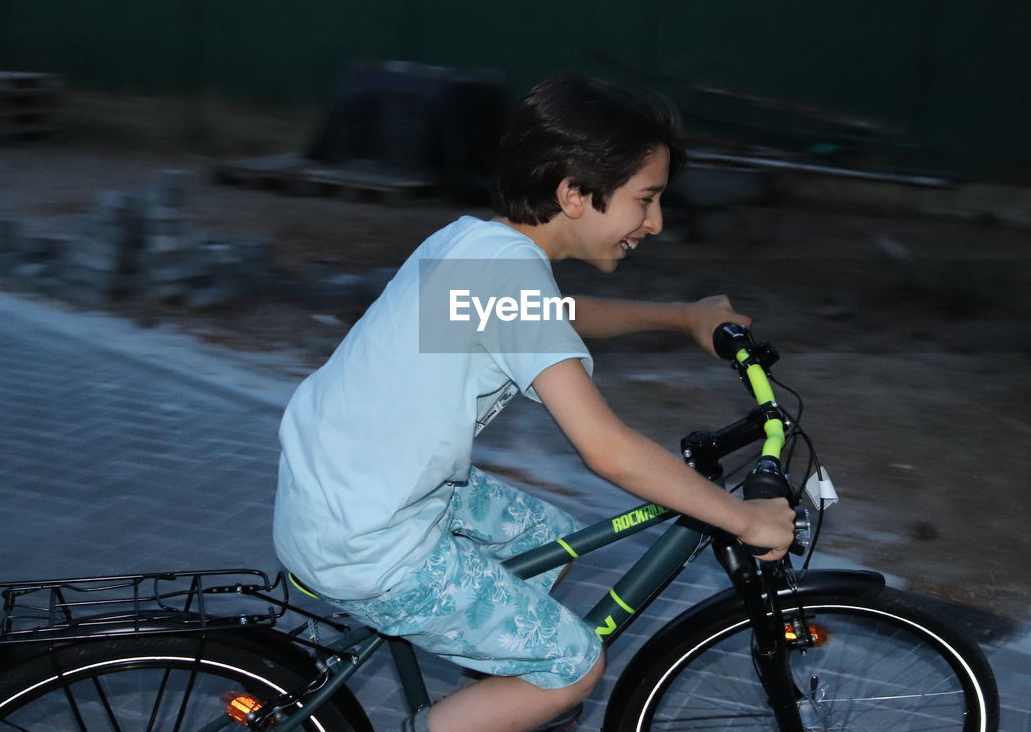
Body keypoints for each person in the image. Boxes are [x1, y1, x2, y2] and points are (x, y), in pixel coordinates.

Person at [272, 73, 796, 732]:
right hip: (369, 539)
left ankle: (494, 697)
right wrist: (747, 521)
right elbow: (607, 450)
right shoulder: (505, 270)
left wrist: (680, 315)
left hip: (338, 494)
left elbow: (556, 314)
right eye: (646, 199)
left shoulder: (478, 246)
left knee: (550, 538)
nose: (656, 223)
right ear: (575, 194)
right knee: (574, 665)